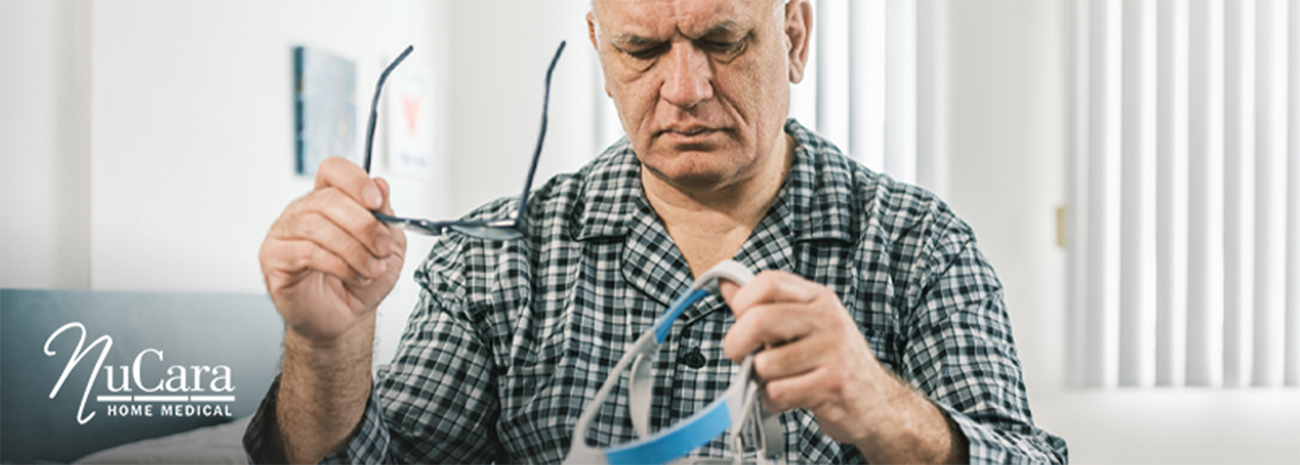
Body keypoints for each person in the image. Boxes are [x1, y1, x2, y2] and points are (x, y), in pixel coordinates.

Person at [245, 0, 1068, 463]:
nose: (684, 88)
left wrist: (884, 408)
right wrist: (326, 346)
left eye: (722, 40)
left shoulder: (919, 249)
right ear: (601, 52)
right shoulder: (494, 260)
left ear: (794, 35)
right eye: (641, 50)